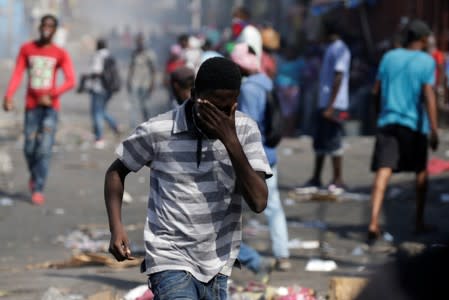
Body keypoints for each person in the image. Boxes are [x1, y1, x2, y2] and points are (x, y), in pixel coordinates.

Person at [104, 57, 271, 299]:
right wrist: (116, 228)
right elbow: (116, 171)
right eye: (213, 108)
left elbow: (258, 201)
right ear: (193, 95)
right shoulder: (159, 130)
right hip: (168, 255)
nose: (221, 117)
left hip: (218, 259)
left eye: (228, 109)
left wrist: (230, 140)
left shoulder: (245, 130)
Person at [367, 20, 439, 243]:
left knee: (383, 171)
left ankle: (373, 221)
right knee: (420, 173)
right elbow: (428, 95)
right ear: (424, 39)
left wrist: (379, 114)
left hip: (388, 122)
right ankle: (418, 221)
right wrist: (434, 129)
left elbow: (375, 90)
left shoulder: (389, 57)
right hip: (414, 125)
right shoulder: (427, 61)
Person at [2, 14, 75, 205]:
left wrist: (52, 94)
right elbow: (18, 73)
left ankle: (38, 187)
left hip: (50, 108)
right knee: (29, 147)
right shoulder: (27, 49)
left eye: (51, 26)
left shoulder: (60, 53)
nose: (47, 28)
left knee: (44, 149)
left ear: (55, 30)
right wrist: (8, 96)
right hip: (31, 107)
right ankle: (34, 175)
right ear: (40, 27)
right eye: (44, 25)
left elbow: (70, 80)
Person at [231, 43, 291, 271]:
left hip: (254, 157)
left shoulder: (249, 89)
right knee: (274, 207)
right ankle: (282, 254)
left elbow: (247, 126)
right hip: (270, 154)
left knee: (233, 209)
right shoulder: (266, 81)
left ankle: (242, 256)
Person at [303, 22, 351, 191]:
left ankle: (338, 178)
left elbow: (339, 76)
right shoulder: (330, 48)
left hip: (335, 104)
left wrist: (331, 106)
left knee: (333, 140)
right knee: (320, 141)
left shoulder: (340, 49)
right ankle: (316, 177)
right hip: (325, 102)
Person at [87, 38, 121, 149]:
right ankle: (115, 125)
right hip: (109, 88)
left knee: (97, 113)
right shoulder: (109, 55)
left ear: (98, 45)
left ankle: (99, 138)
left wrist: (87, 78)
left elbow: (97, 72)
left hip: (98, 88)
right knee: (101, 111)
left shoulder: (98, 55)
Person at [127, 33, 156, 129]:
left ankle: (148, 125)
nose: (139, 43)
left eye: (141, 41)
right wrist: (128, 81)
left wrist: (152, 84)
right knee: (134, 106)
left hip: (145, 83)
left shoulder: (150, 54)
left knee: (145, 106)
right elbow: (131, 68)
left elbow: (153, 71)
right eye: (138, 41)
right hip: (135, 83)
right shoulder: (134, 53)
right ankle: (133, 127)